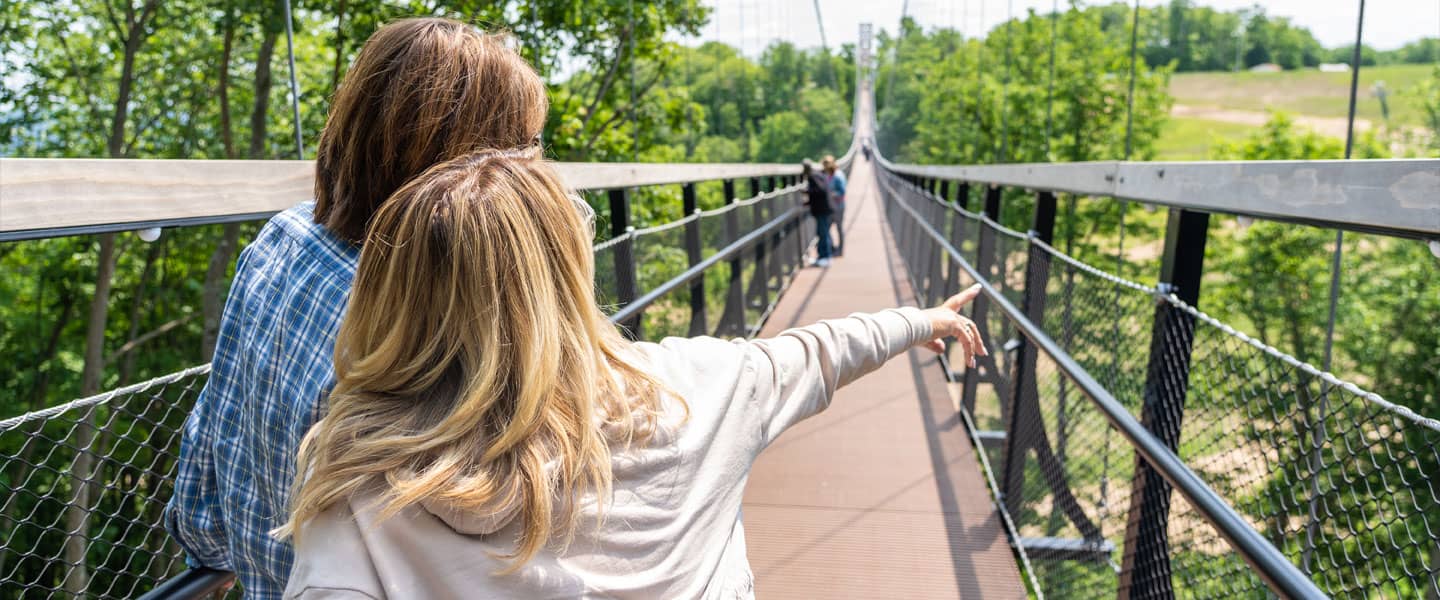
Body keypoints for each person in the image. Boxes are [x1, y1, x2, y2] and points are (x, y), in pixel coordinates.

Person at [276, 150, 988, 599]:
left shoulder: (355, 490)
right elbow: (821, 350)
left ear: (390, 294)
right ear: (572, 270)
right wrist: (922, 321)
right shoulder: (698, 387)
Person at [163, 19, 549, 598]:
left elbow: (214, 431)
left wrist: (210, 557)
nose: (534, 168)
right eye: (522, 148)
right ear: (475, 171)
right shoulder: (439, 318)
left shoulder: (282, 235)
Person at [802, 159, 835, 267]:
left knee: (823, 233)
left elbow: (820, 190)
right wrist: (808, 202)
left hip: (822, 210)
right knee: (823, 233)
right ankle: (824, 257)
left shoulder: (813, 176)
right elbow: (822, 191)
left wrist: (807, 191)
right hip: (825, 208)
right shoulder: (819, 174)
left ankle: (825, 257)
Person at [822, 155, 847, 257]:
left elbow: (842, 192)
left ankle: (840, 250)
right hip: (831, 206)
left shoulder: (838, 176)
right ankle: (832, 248)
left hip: (839, 206)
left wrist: (830, 194)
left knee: (839, 228)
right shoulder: (828, 175)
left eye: (826, 165)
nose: (824, 167)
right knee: (826, 228)